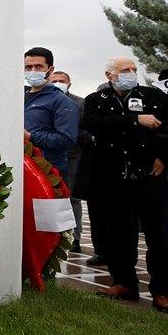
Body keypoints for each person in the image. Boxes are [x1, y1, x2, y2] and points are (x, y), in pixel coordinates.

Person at [83, 56, 168, 315]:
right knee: (118, 233)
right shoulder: (96, 100)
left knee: (158, 236)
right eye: (124, 70)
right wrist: (135, 120)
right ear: (110, 75)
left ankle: (162, 290)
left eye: (133, 69)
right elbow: (93, 125)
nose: (131, 73)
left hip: (149, 177)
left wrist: (165, 159)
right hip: (113, 179)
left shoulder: (153, 96)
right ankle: (123, 282)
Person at [49, 70, 96, 255]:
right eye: (55, 81)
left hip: (73, 156)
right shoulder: (43, 99)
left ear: (69, 84)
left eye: (62, 81)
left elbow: (86, 128)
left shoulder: (80, 102)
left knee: (73, 198)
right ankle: (52, 236)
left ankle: (75, 238)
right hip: (47, 154)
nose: (58, 83)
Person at [23, 47, 79, 179]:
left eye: (38, 66)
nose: (33, 71)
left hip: (50, 172)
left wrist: (30, 136)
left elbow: (67, 140)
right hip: (23, 168)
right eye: (28, 67)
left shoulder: (61, 101)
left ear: (50, 70)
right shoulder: (19, 98)